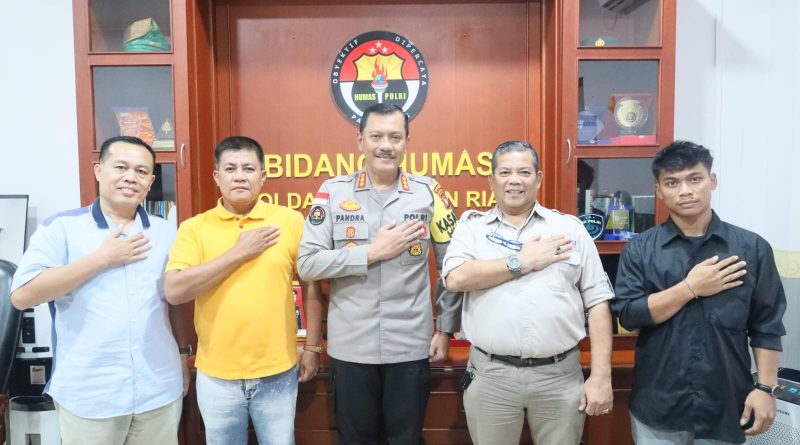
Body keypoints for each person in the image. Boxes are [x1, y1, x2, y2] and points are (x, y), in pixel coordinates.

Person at [297, 103, 462, 445]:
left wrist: (446, 328)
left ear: (407, 142)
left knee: (406, 439)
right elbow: (308, 263)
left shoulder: (429, 192)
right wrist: (371, 253)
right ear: (360, 141)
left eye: (395, 137)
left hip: (410, 347)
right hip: (351, 349)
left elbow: (453, 264)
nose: (385, 145)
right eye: (376, 136)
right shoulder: (333, 192)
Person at [10, 136, 188, 445]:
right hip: (90, 395)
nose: (130, 177)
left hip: (158, 389)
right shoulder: (62, 228)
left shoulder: (165, 232)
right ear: (99, 171)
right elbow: (23, 295)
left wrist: (184, 355)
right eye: (121, 167)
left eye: (141, 171)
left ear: (150, 182)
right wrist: (101, 259)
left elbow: (174, 302)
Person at [612, 140, 786, 444]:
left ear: (712, 180)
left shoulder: (752, 248)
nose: (685, 191)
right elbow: (629, 315)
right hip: (659, 404)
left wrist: (765, 388)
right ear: (658, 190)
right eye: (672, 182)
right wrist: (690, 288)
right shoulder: (640, 249)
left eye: (695, 179)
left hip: (726, 402)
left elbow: (766, 325)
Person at [442, 140, 614, 445]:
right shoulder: (472, 228)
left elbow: (598, 301)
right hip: (492, 377)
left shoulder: (569, 229)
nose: (515, 180)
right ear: (491, 180)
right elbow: (455, 278)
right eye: (505, 172)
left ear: (538, 178)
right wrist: (521, 261)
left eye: (524, 172)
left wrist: (601, 377)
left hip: (559, 377)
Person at [163, 136, 322, 445]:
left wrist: (313, 348)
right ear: (217, 177)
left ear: (262, 176)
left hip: (278, 371)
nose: (239, 176)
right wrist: (239, 252)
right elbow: (175, 291)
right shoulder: (194, 228)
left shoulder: (289, 221)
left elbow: (311, 286)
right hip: (217, 376)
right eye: (230, 168)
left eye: (248, 169)